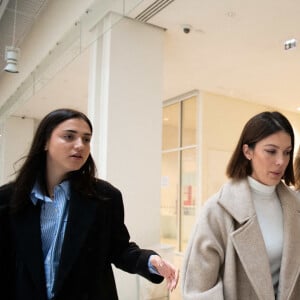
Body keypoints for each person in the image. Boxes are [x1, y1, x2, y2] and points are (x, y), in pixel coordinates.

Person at [0, 108, 179, 300]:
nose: (80, 145)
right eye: (69, 136)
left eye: (86, 139)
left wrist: (151, 261)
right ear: (45, 141)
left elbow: (119, 249)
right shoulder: (8, 199)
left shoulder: (105, 197)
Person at [182, 111, 300, 300]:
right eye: (271, 151)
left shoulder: (295, 207)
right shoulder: (218, 210)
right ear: (247, 151)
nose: (281, 161)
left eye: (287, 152)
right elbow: (198, 288)